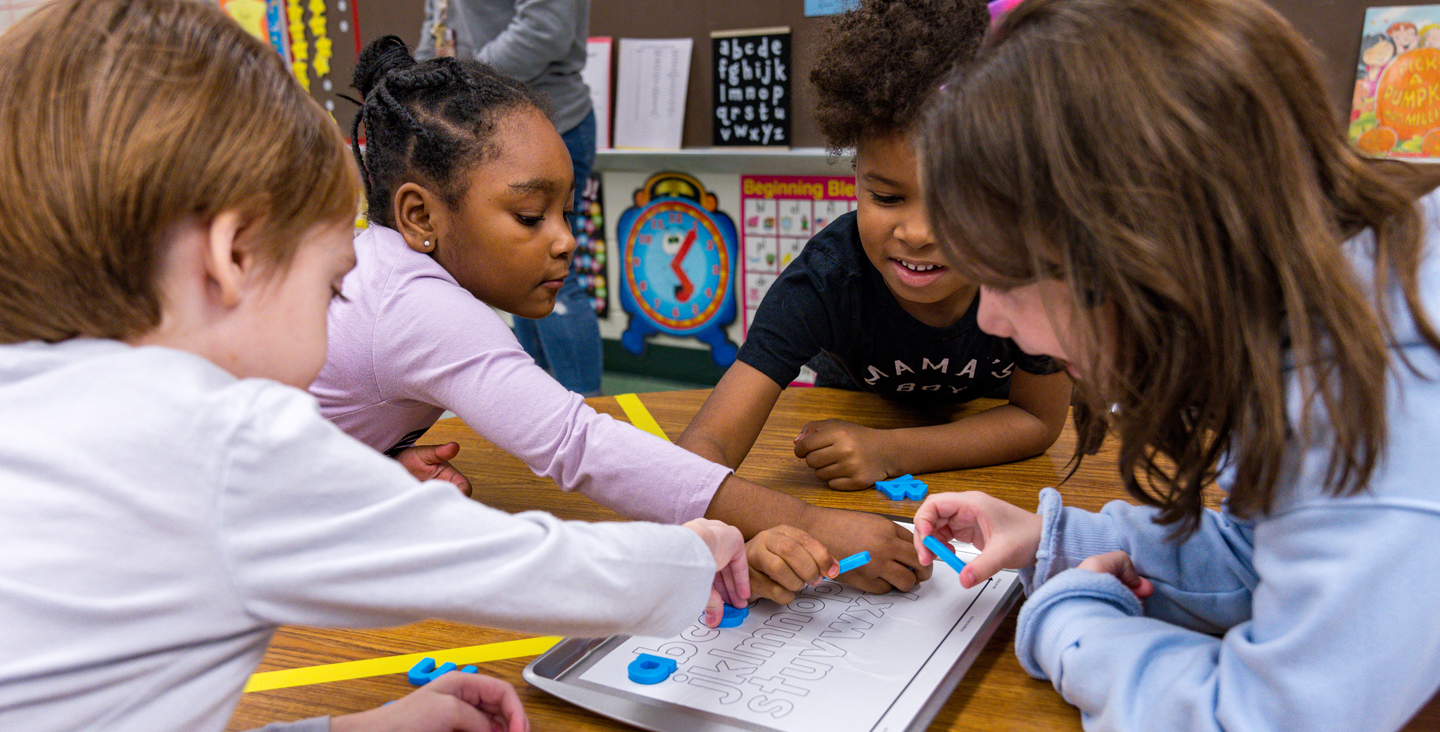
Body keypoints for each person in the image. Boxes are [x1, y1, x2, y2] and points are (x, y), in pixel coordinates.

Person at [0, 1, 754, 729]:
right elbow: (502, 566)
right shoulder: (226, 439)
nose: (341, 307)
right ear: (232, 259)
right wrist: (691, 555)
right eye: (330, 284)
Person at [913, 0, 1440, 729]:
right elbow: (1268, 555)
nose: (989, 320)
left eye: (1005, 278)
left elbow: (1263, 719)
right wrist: (1058, 543)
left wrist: (1072, 622)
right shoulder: (1334, 300)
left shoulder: (1372, 399)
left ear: (1132, 252)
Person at [310, 36, 927, 595]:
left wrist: (369, 467)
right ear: (420, 216)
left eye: (566, 214)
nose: (564, 241)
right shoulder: (415, 304)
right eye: (530, 217)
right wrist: (812, 522)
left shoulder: (383, 271)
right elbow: (578, 445)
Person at [676, 0, 1072, 491]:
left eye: (956, 202)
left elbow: (1037, 421)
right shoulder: (826, 279)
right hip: (848, 431)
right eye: (886, 196)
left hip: (986, 458)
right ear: (856, 174)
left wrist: (890, 450)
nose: (918, 233)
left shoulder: (1031, 275)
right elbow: (705, 447)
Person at [417, 0, 603, 396]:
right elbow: (436, 28)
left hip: (549, 126)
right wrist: (416, 91)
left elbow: (546, 26)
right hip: (476, 133)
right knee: (515, 270)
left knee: (554, 269)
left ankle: (588, 411)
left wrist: (459, 86)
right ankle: (537, 403)